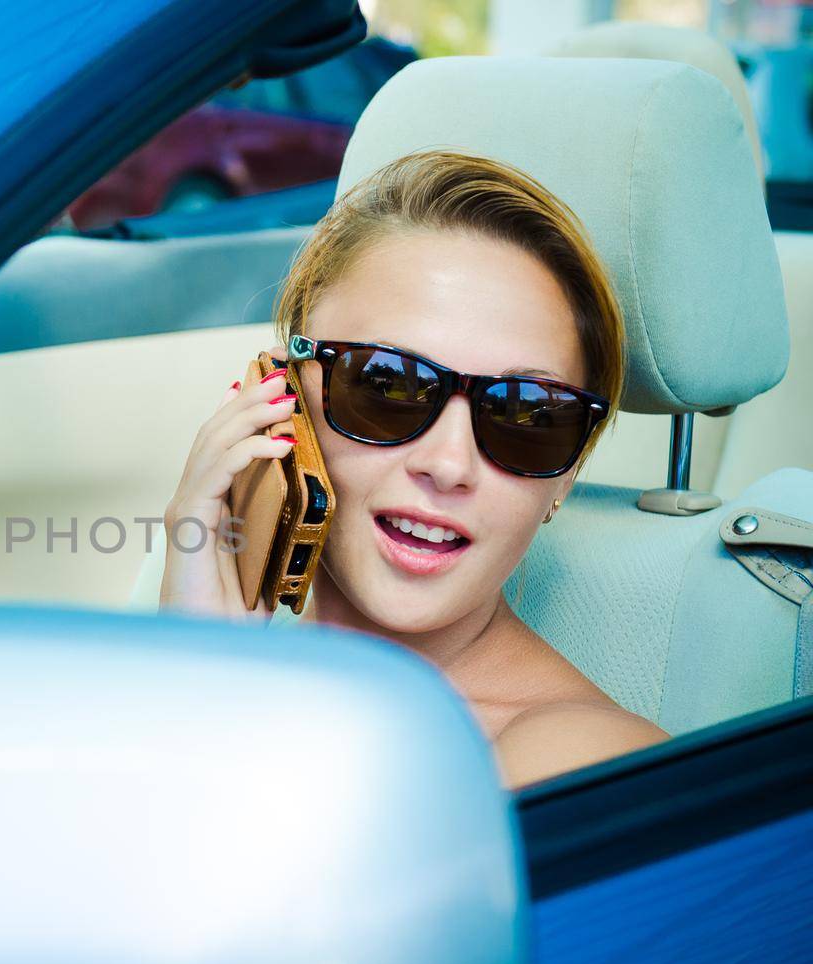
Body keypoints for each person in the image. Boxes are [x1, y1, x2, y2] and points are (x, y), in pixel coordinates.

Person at [159, 149, 666, 788]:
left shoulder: (579, 760)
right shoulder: (235, 664)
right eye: (386, 384)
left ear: (568, 473)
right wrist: (200, 674)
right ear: (282, 397)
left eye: (528, 416)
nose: (449, 464)